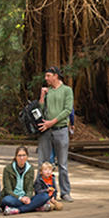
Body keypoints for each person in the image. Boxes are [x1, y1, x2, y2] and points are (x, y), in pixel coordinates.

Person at [37, 66, 74, 203]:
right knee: (43, 162)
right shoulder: (48, 91)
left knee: (62, 163)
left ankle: (65, 192)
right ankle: (41, 190)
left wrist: (52, 122)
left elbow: (67, 110)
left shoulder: (67, 90)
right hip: (46, 131)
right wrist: (42, 96)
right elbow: (40, 109)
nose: (46, 79)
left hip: (61, 130)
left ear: (56, 76)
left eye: (48, 76)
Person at [0, 146, 48, 214]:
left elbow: (30, 188)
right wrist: (20, 198)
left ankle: (17, 210)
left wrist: (28, 197)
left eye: (24, 155)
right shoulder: (8, 169)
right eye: (19, 155)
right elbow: (8, 190)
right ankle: (34, 207)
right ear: (16, 157)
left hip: (25, 198)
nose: (22, 158)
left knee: (45, 196)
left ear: (27, 156)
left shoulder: (30, 168)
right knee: (6, 200)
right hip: (14, 198)